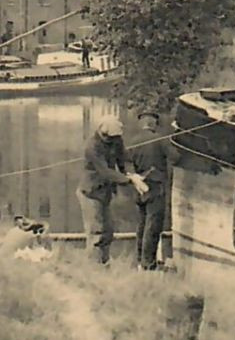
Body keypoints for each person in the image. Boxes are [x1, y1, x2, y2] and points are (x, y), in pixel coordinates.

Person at [75, 115, 147, 265]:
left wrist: (130, 172)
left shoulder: (116, 140)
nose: (110, 140)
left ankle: (104, 262)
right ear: (101, 131)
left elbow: (122, 159)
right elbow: (105, 171)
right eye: (107, 137)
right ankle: (93, 267)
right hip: (90, 193)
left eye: (113, 138)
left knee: (108, 231)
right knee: (96, 232)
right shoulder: (92, 146)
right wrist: (128, 180)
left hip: (105, 192)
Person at [128, 110, 174, 270]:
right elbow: (176, 157)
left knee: (142, 224)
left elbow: (127, 162)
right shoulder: (160, 140)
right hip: (156, 187)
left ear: (142, 123)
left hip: (139, 187)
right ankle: (148, 264)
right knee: (153, 226)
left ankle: (139, 260)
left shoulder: (133, 141)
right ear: (154, 123)